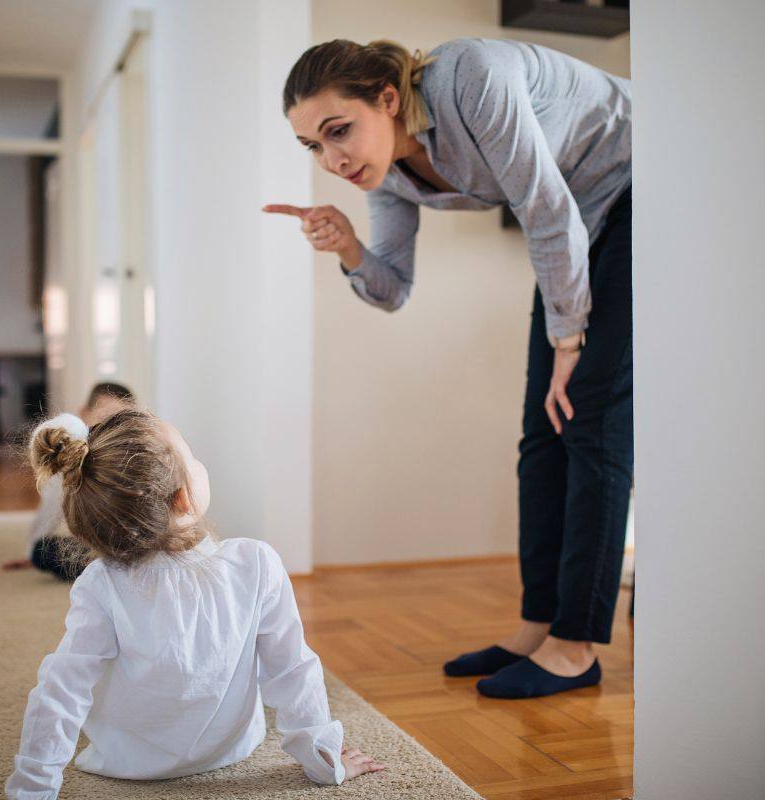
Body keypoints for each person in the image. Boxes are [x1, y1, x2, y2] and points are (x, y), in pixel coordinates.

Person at [266, 38, 632, 699]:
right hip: (580, 217)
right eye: (314, 146)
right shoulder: (391, 172)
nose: (332, 158)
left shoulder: (473, 80)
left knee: (589, 419)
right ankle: (539, 624)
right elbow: (393, 289)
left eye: (338, 131)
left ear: (387, 97)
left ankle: (575, 647)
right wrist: (347, 245)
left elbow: (544, 210)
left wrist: (569, 346)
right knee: (540, 432)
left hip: (642, 183)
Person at [4, 407, 385, 797]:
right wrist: (323, 756)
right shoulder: (256, 563)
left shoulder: (101, 584)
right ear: (184, 498)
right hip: (230, 752)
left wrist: (32, 789)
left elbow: (62, 689)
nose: (201, 463)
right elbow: (292, 670)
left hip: (130, 764)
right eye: (193, 456)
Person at [1, 382, 135, 580]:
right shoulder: (70, 457)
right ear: (84, 413)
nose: (109, 427)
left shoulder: (134, 455)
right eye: (104, 418)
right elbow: (51, 508)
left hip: (133, 540)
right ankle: (111, 568)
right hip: (98, 546)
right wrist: (30, 552)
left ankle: (116, 568)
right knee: (43, 551)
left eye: (119, 421)